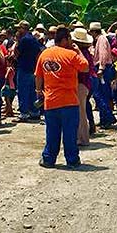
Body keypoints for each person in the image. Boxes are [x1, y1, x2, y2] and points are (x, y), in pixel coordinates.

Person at [36, 27, 89, 169]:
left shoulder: (44, 54)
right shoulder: (71, 55)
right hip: (69, 100)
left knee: (52, 133)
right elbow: (85, 67)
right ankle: (72, 160)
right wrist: (78, 51)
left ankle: (48, 159)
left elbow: (39, 76)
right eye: (70, 39)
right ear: (65, 40)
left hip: (51, 101)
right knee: (70, 133)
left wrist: (39, 91)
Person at [89, 22, 117, 129]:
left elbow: (103, 54)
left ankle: (108, 117)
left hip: (103, 69)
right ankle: (104, 118)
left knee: (99, 94)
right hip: (103, 68)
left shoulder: (101, 40)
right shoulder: (100, 40)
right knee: (101, 94)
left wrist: (101, 68)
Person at [14, 21, 43, 122]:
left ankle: (24, 113)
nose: (17, 31)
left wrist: (17, 41)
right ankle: (35, 111)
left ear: (23, 29)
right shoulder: (33, 39)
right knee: (32, 91)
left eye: (19, 28)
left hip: (24, 68)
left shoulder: (24, 40)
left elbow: (16, 53)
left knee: (22, 91)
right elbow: (39, 52)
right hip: (32, 68)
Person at [71, 28, 95, 145]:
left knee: (81, 112)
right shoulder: (86, 52)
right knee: (81, 112)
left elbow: (85, 68)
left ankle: (83, 138)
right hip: (84, 84)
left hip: (81, 84)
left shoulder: (81, 53)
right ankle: (81, 137)